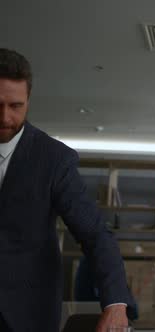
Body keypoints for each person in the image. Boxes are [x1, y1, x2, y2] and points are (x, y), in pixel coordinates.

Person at [0, 48, 136, 331]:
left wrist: (115, 303)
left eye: (16, 106)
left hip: (26, 314)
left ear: (28, 101)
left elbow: (95, 234)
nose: (5, 117)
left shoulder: (53, 159)